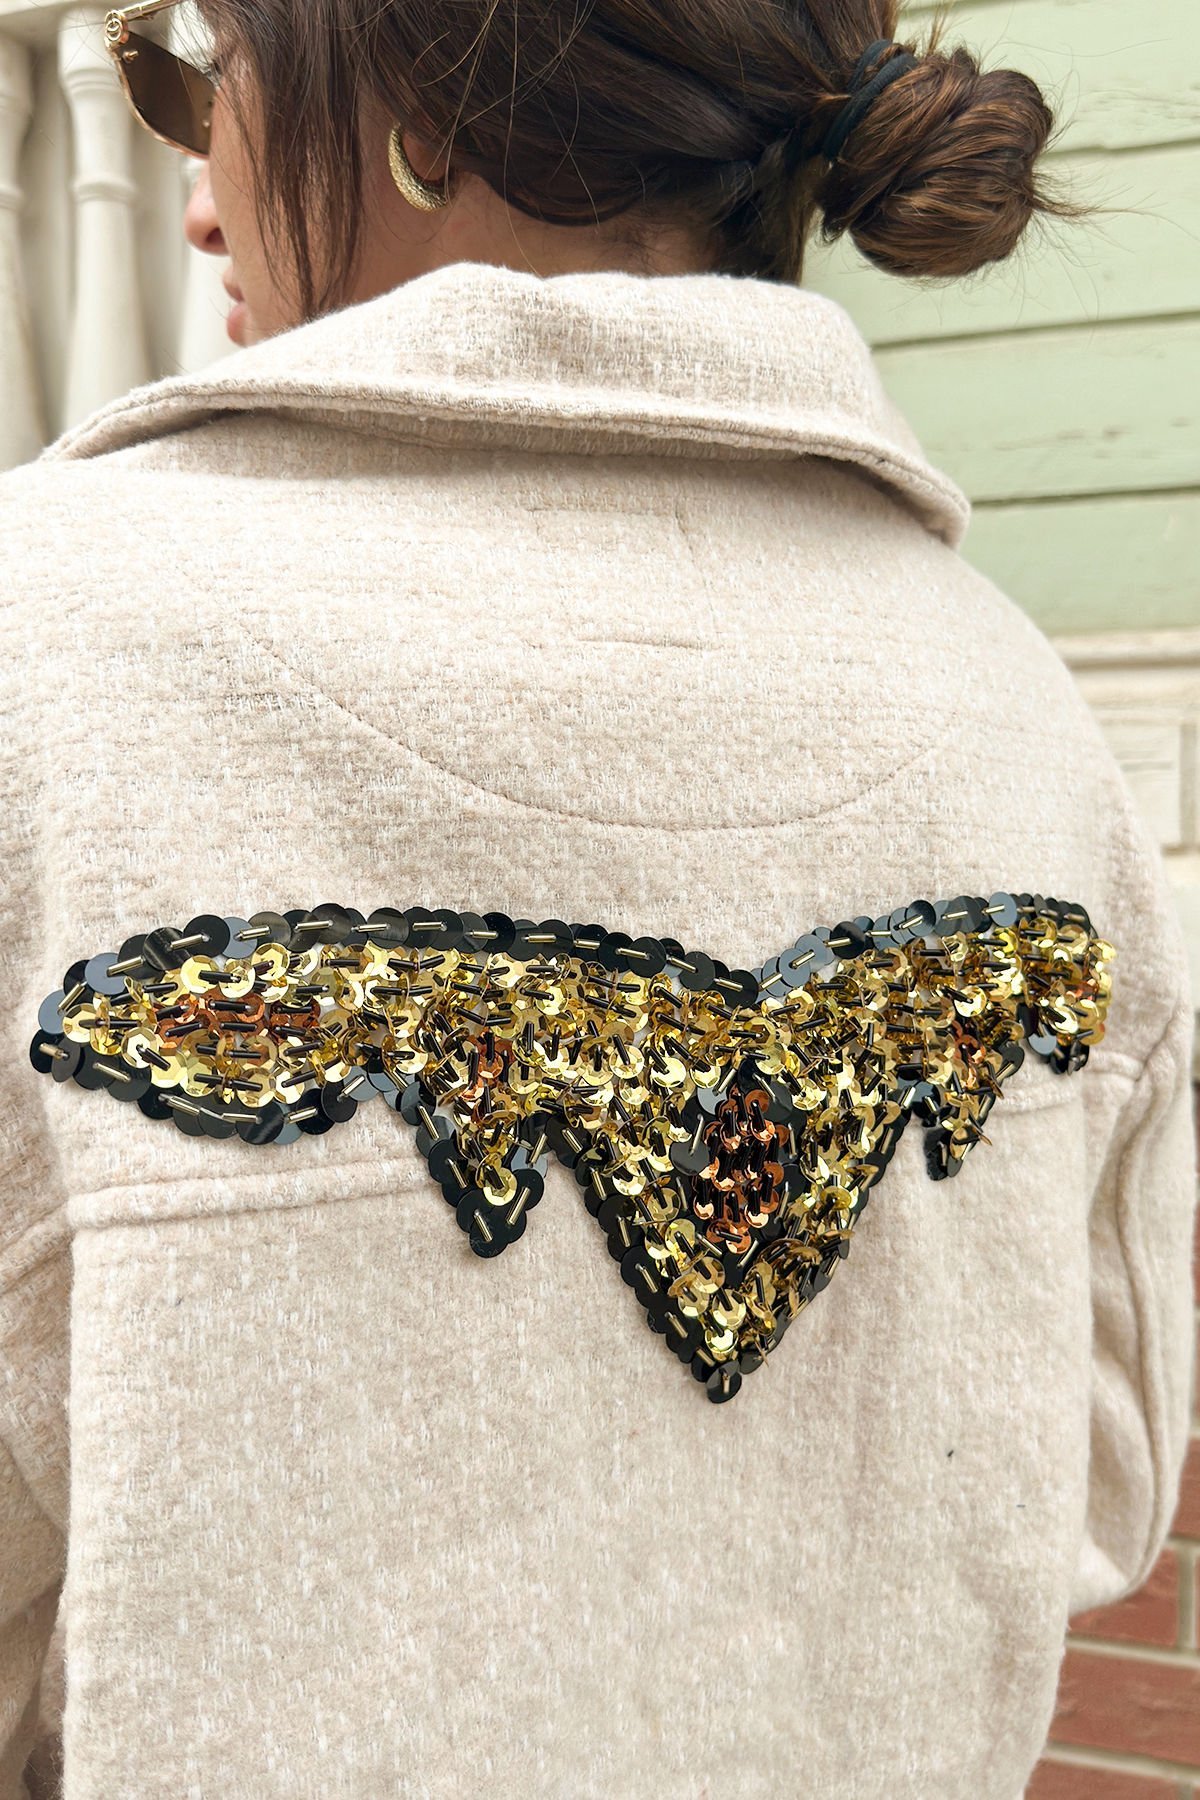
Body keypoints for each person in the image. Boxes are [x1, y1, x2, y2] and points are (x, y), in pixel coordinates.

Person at [1, 0, 1195, 1795]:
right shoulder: (1025, 716)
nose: (195, 194)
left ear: (423, 112)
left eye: (200, 72)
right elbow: (1097, 1487)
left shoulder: (40, 656)